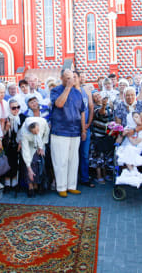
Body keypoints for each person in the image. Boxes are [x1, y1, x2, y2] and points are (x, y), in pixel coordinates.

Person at [50, 69, 86, 198]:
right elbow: (59, 104)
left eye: (72, 77)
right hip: (60, 130)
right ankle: (61, 187)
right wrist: (68, 88)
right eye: (67, 77)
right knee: (61, 161)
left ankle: (71, 186)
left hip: (75, 131)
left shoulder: (78, 93)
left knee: (73, 160)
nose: (70, 80)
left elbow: (82, 112)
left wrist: (83, 130)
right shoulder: (56, 90)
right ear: (61, 78)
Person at [18, 117, 50, 197]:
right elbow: (25, 150)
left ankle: (36, 185)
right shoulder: (24, 132)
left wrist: (41, 147)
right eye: (34, 132)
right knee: (29, 164)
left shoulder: (43, 122)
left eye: (37, 131)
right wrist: (28, 167)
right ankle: (30, 187)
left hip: (40, 144)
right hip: (29, 145)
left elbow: (46, 134)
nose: (36, 133)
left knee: (38, 163)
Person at [74, 71, 95, 188]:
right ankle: (74, 179)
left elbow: (91, 108)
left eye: (76, 77)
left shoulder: (86, 91)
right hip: (74, 128)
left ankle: (85, 178)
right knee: (73, 155)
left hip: (86, 128)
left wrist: (88, 123)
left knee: (85, 154)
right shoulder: (71, 91)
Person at [90, 90, 114, 184]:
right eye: (95, 96)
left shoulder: (109, 106)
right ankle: (99, 176)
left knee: (105, 156)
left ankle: (105, 174)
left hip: (107, 135)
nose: (98, 97)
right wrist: (103, 105)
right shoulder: (95, 107)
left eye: (98, 95)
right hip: (98, 136)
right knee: (98, 157)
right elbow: (101, 113)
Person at [3, 98, 26, 191]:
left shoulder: (22, 117)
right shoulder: (5, 118)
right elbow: (1, 133)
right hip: (7, 144)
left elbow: (24, 132)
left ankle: (15, 182)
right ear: (9, 108)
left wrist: (21, 142)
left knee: (16, 162)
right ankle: (8, 183)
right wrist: (6, 128)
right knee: (8, 162)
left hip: (18, 144)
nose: (16, 109)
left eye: (18, 107)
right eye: (13, 108)